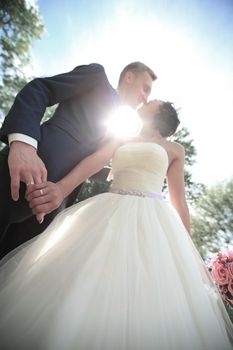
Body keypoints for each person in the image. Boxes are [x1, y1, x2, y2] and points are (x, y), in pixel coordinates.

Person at [0, 100, 232, 350]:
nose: (146, 101)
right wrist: (62, 187)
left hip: (152, 218)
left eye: (152, 101)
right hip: (110, 208)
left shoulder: (173, 149)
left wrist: (188, 250)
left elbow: (179, 200)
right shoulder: (121, 137)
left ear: (160, 112)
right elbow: (95, 161)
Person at [0, 61, 157, 259]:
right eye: (145, 88)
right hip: (17, 175)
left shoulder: (119, 130)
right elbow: (41, 89)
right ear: (129, 77)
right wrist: (23, 144)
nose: (145, 97)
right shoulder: (96, 77)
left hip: (51, 209)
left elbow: (93, 160)